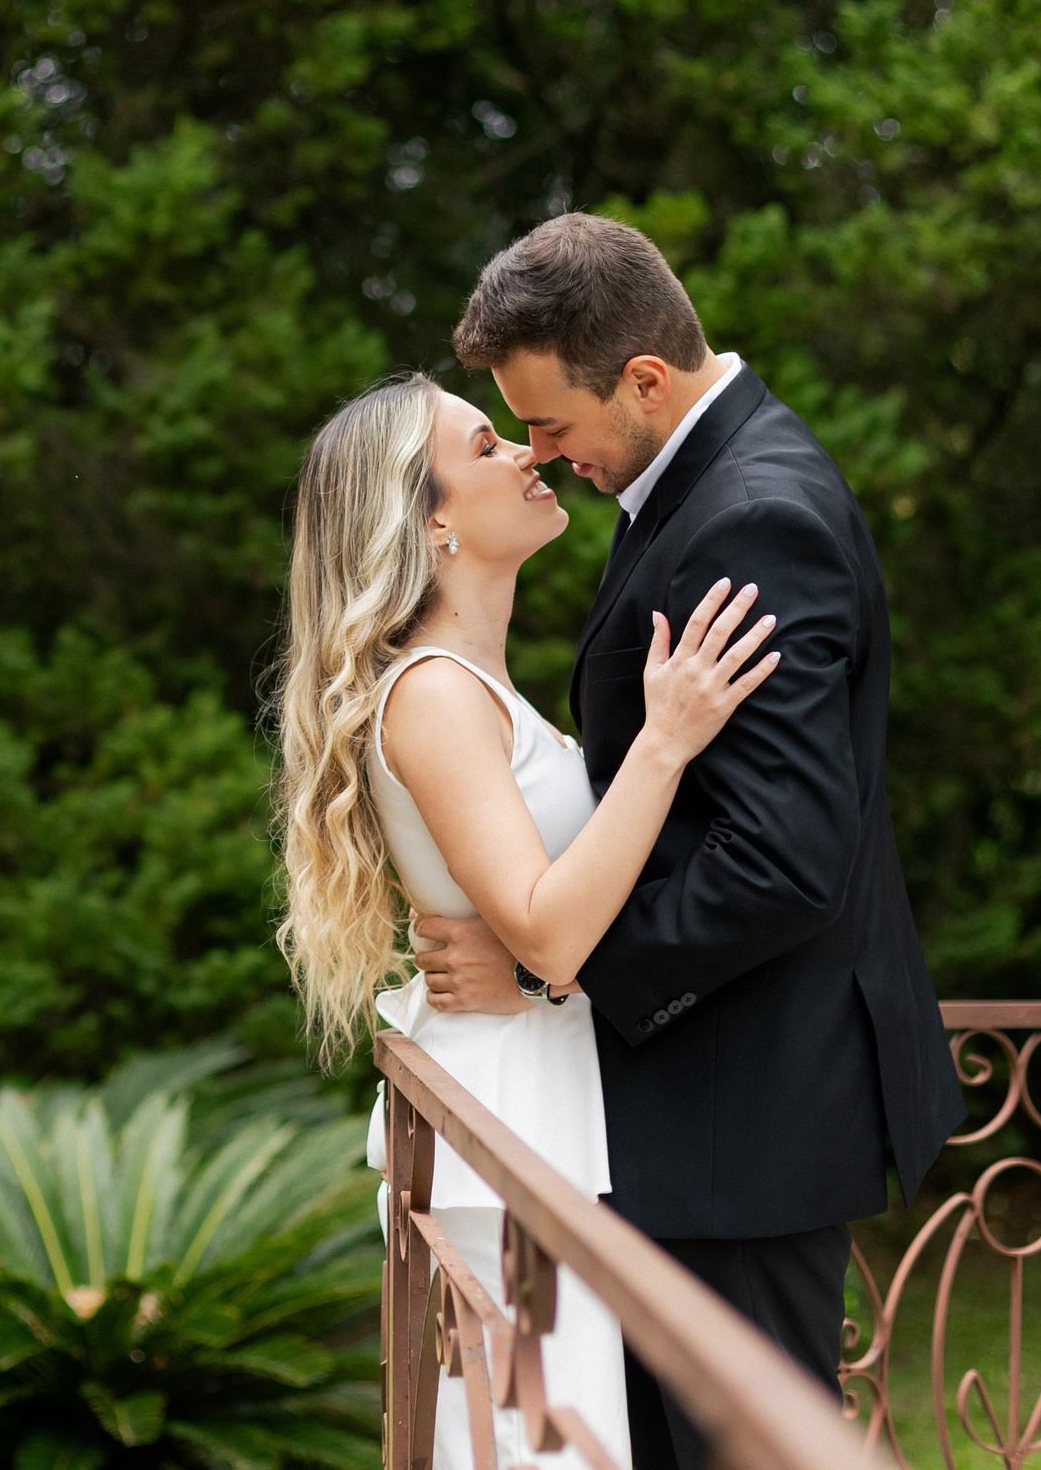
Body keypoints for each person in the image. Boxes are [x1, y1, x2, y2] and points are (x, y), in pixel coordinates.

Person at [417, 212, 966, 1470]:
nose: (544, 458)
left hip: (744, 1118)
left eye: (551, 426)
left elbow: (780, 860)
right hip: (707, 1106)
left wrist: (560, 972)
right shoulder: (693, 482)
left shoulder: (749, 517)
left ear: (645, 380)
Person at [273, 374, 779, 1470]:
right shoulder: (437, 693)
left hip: (543, 1125)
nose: (528, 456)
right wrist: (665, 738)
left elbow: (535, 937)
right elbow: (550, 932)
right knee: (543, 1450)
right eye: (487, 442)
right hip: (508, 1147)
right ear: (431, 520)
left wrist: (534, 965)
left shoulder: (478, 688)